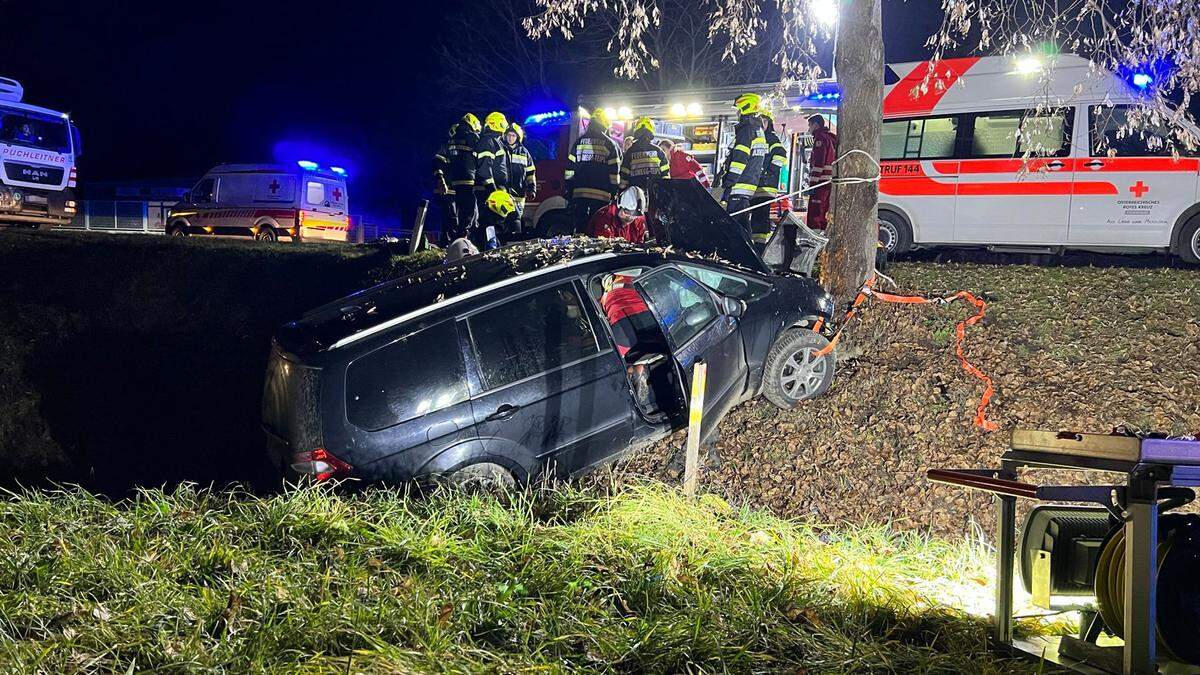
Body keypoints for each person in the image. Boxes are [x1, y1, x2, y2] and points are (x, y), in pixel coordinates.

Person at [599, 273, 663, 408]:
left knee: (623, 359)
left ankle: (634, 370)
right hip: (649, 322)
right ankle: (640, 367)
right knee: (649, 344)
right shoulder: (635, 278)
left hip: (622, 330)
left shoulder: (604, 294)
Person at [719, 93, 769, 237]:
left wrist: (729, 183)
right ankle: (748, 255)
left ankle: (737, 256)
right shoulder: (758, 130)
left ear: (745, 108)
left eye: (739, 109)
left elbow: (739, 160)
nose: (737, 113)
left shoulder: (746, 130)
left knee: (733, 227)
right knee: (742, 225)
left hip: (738, 186)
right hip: (748, 185)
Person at [565, 107, 621, 233]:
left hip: (579, 193)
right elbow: (614, 172)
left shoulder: (579, 142)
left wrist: (569, 188)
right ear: (605, 124)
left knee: (580, 226)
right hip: (602, 194)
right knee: (598, 226)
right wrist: (614, 191)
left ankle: (579, 248)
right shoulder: (610, 144)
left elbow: (569, 169)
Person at [620, 117, 670, 240]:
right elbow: (666, 177)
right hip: (654, 195)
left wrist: (621, 195)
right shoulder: (658, 151)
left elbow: (623, 178)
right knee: (655, 225)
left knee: (636, 226)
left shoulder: (630, 152)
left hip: (635, 197)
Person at [750, 108, 788, 251]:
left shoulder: (771, 138)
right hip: (755, 185)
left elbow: (780, 155)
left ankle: (759, 248)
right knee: (754, 218)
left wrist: (769, 172)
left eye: (764, 121)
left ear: (769, 123)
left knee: (760, 218)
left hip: (765, 187)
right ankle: (754, 246)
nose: (761, 124)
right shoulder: (757, 138)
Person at [474, 112, 511, 249]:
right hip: (487, 191)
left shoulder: (495, 142)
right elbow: (485, 169)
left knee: (494, 224)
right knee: (488, 223)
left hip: (494, 190)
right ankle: (489, 249)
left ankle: (493, 246)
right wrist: (492, 190)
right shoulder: (488, 141)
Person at [444, 113, 482, 242]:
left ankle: (458, 237)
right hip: (469, 178)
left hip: (455, 180)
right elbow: (481, 152)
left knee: (459, 211)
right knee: (470, 209)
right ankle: (464, 236)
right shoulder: (472, 136)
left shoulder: (452, 139)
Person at [500, 122, 537, 237]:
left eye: (513, 135)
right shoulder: (500, 148)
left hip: (518, 194)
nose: (510, 138)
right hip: (502, 193)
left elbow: (531, 173)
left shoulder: (524, 152)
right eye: (509, 135)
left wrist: (532, 188)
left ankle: (514, 244)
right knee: (501, 221)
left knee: (516, 220)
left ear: (518, 137)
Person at [806, 113, 837, 232]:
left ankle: (815, 237)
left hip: (820, 183)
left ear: (816, 125)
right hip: (827, 182)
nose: (809, 129)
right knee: (823, 210)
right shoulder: (829, 138)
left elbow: (819, 163)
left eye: (810, 125)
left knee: (815, 212)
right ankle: (822, 233)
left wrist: (813, 184)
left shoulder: (820, 139)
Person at [432, 123, 459, 245]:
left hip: (457, 190)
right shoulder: (446, 147)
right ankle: (448, 242)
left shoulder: (463, 149)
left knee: (453, 218)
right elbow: (437, 163)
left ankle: (448, 241)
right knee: (450, 216)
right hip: (447, 189)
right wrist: (440, 179)